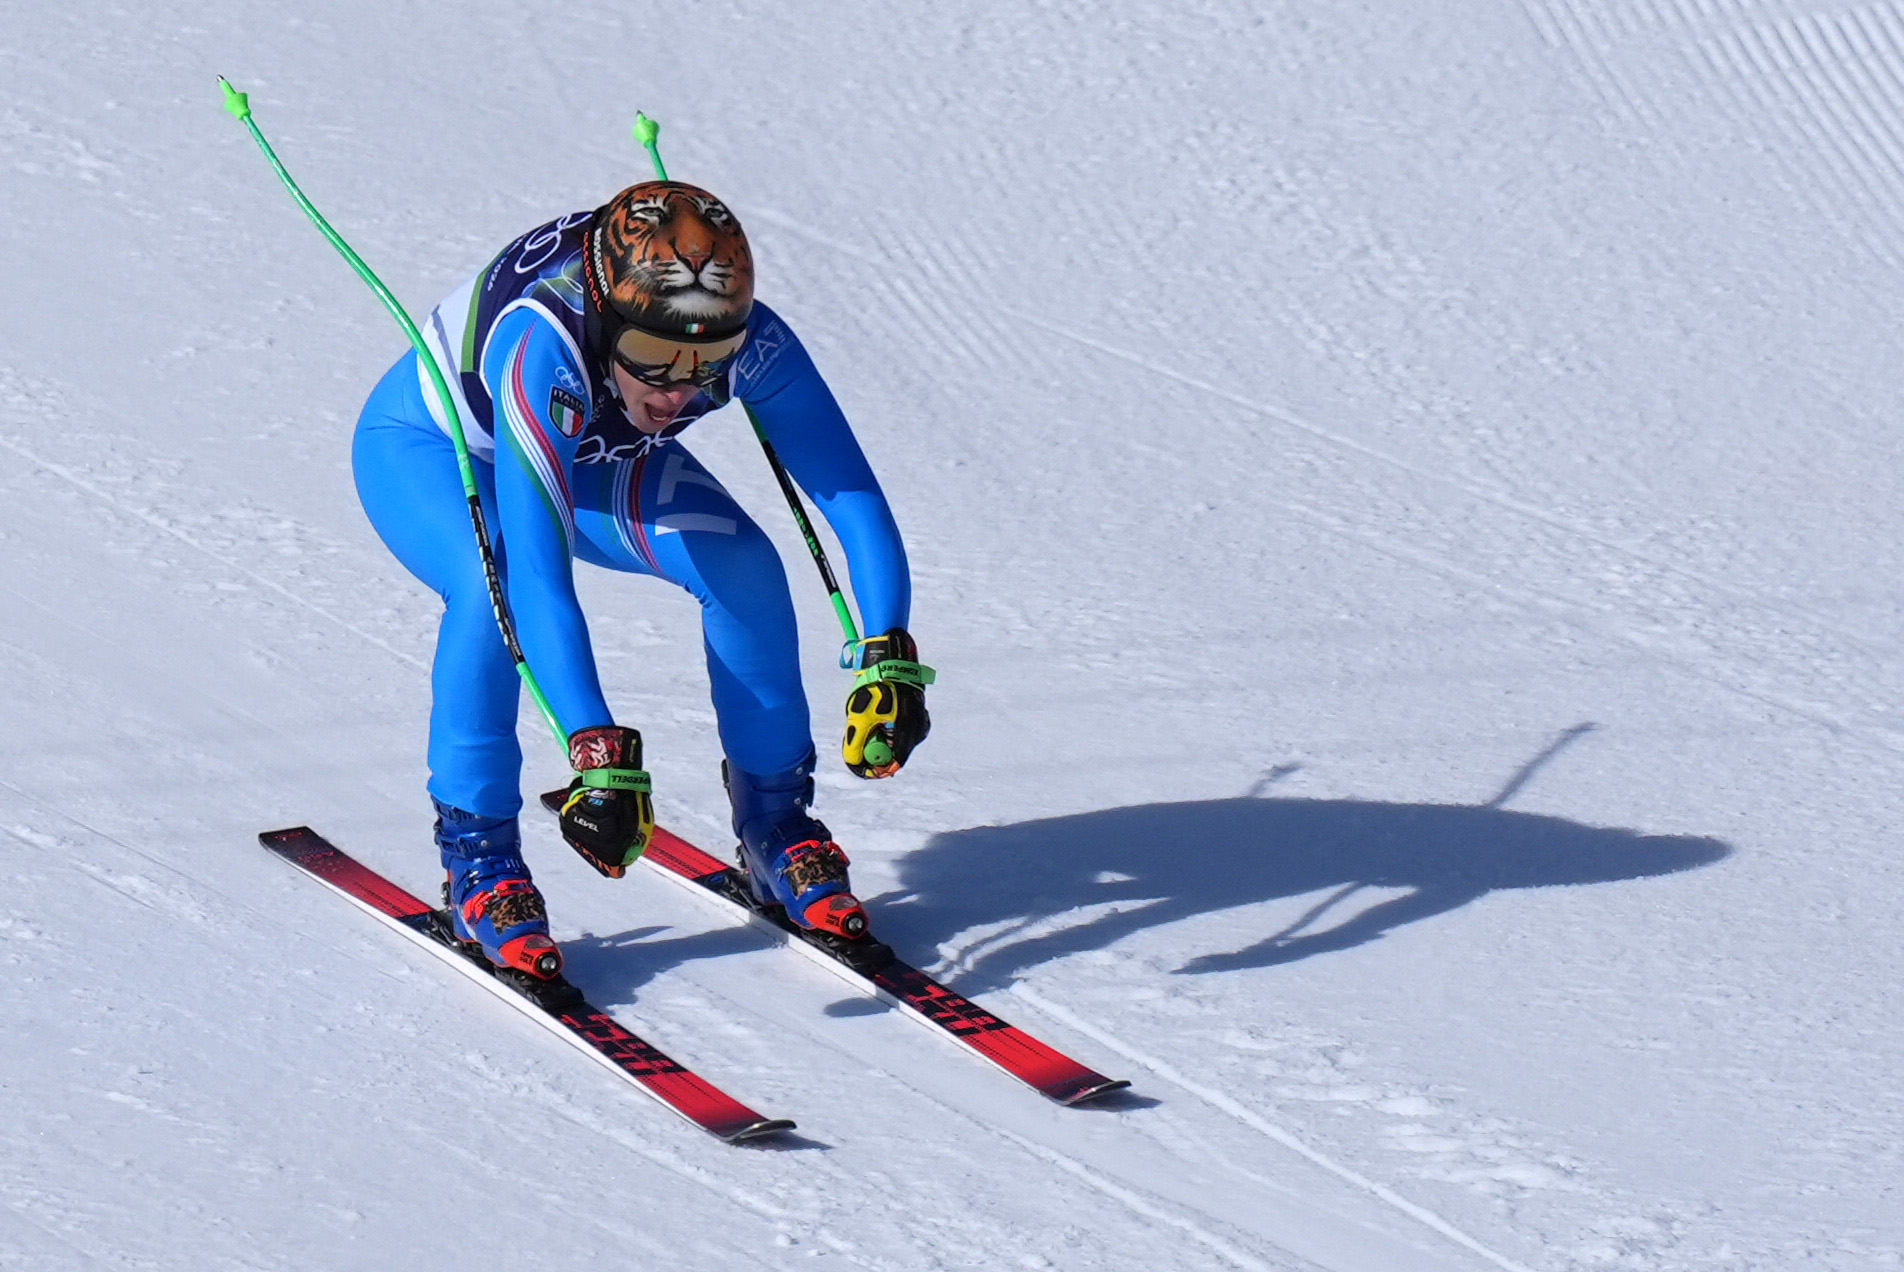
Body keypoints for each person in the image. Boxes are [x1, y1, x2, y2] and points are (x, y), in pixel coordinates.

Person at [351, 180, 929, 982]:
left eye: (708, 365)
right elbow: (545, 578)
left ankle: (777, 826)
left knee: (744, 567)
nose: (680, 391)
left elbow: (853, 499)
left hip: (585, 453)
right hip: (436, 456)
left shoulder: (744, 335)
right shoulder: (542, 345)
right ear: (607, 321)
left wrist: (889, 648)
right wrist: (596, 751)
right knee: (497, 594)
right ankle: (479, 862)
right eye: (655, 361)